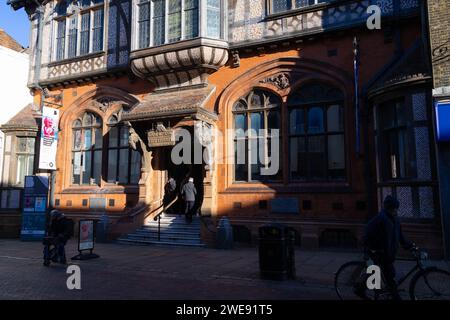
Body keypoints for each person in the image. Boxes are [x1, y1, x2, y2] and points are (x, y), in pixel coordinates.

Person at [362, 195, 415, 300]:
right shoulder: (380, 218)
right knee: (380, 276)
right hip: (379, 253)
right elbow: (367, 234)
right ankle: (361, 289)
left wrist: (410, 246)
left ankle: (385, 293)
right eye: (393, 208)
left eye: (396, 208)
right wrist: (370, 249)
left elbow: (400, 236)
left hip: (388, 255)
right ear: (388, 208)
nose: (395, 210)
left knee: (387, 275)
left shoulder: (395, 220)